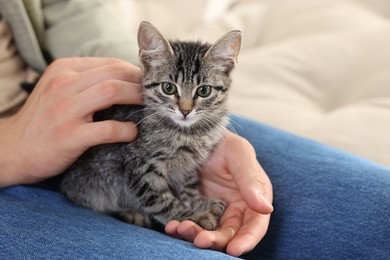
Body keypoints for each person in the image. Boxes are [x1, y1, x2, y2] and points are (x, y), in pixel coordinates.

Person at [1, 1, 389, 259]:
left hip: (75, 100)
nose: (186, 105)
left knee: (379, 211)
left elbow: (70, 9)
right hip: (28, 164)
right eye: (176, 92)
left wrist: (154, 78)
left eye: (199, 92)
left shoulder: (179, 101)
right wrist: (13, 147)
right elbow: (142, 173)